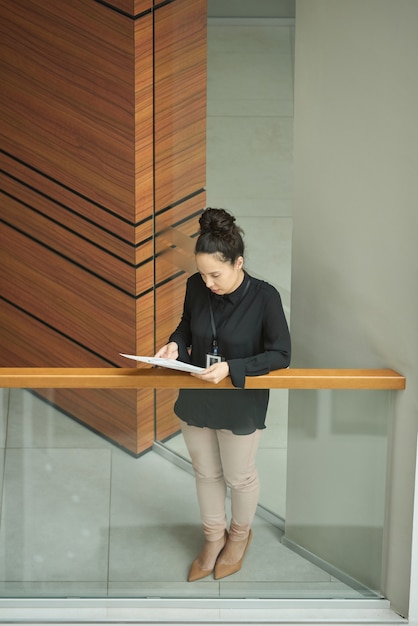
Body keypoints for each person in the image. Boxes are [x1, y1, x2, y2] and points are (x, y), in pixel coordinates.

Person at [155, 207, 291, 581]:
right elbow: (186, 327)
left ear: (239, 262)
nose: (208, 282)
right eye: (202, 274)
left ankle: (239, 536)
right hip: (198, 393)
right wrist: (173, 345)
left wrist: (233, 367)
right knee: (205, 473)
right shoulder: (196, 287)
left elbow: (282, 354)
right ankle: (213, 538)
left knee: (238, 476)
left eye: (216, 274)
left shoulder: (265, 298)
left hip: (239, 402)